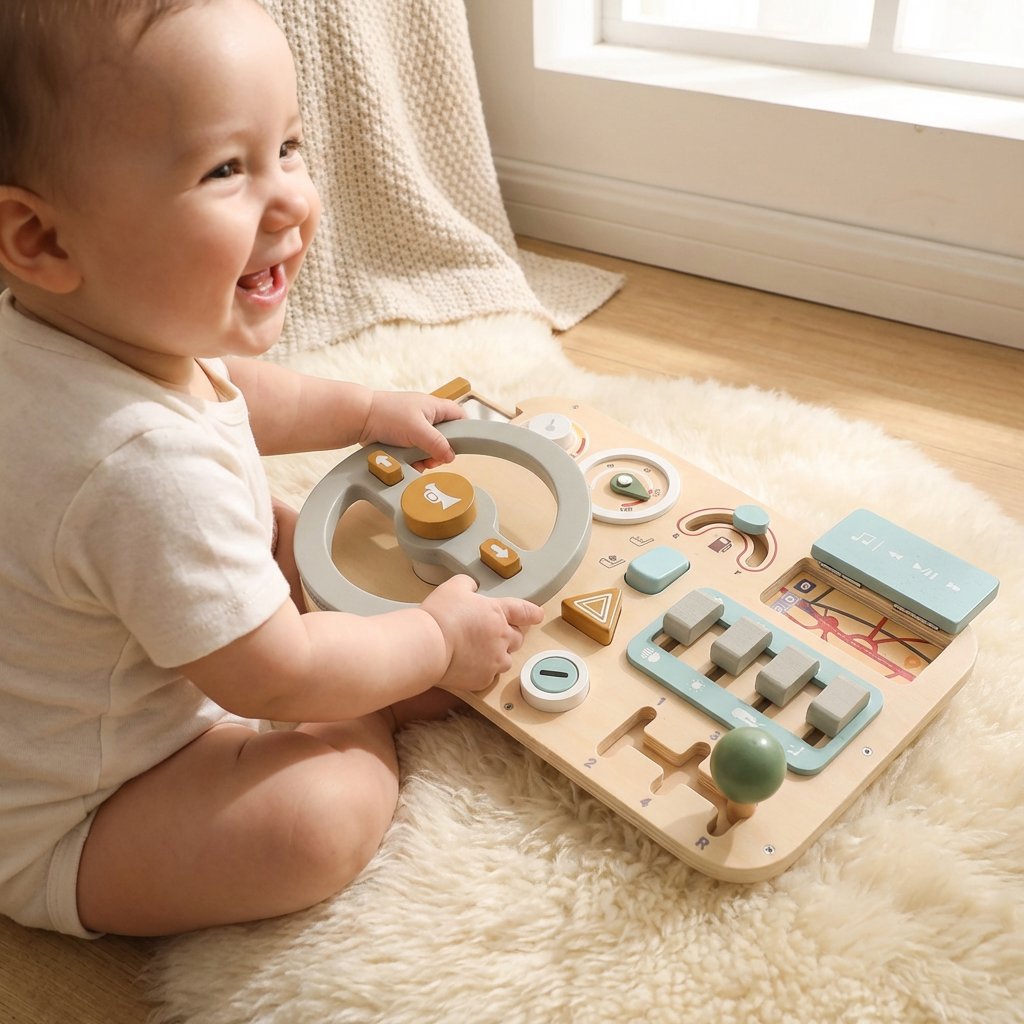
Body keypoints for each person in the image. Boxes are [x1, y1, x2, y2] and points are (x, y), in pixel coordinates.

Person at [0, 0, 544, 938]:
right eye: (226, 169)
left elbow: (235, 389)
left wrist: (366, 412)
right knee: (317, 819)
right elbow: (276, 680)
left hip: (94, 658)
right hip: (73, 812)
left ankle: (362, 654)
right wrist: (430, 648)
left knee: (287, 533)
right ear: (44, 241)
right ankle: (375, 694)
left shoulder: (87, 336)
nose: (291, 198)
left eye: (288, 148)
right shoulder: (143, 466)